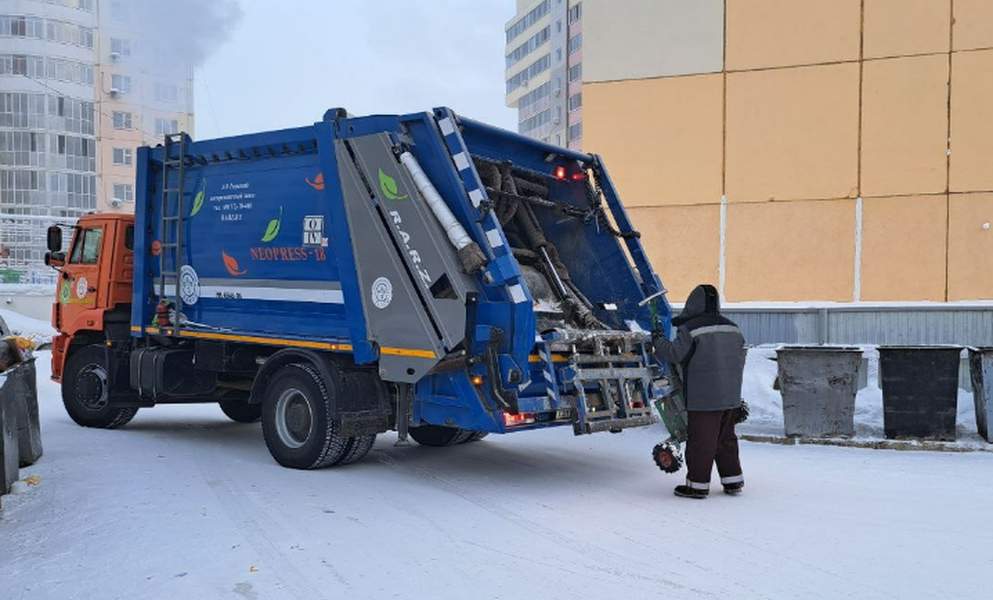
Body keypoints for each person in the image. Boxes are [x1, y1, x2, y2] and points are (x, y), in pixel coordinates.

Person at [653, 284, 747, 499]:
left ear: (693, 303)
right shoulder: (732, 327)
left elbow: (676, 354)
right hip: (731, 395)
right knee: (726, 439)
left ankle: (697, 485)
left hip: (705, 397)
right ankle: (733, 481)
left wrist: (658, 341)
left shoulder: (691, 329)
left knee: (701, 442)